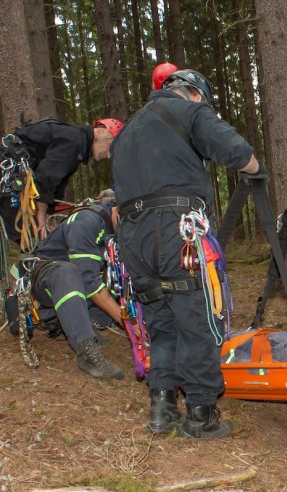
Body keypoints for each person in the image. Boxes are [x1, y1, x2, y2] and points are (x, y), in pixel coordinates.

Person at [111, 68, 261, 440]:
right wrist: (257, 171)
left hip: (133, 236)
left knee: (161, 323)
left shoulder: (127, 131)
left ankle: (162, 407)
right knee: (196, 318)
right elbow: (237, 151)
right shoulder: (191, 110)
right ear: (194, 93)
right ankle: (201, 413)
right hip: (176, 230)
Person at [0, 118, 123, 246]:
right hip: (8, 169)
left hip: (3, 168)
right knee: (32, 236)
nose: (109, 155)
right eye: (111, 147)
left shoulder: (75, 143)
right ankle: (36, 268)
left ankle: (36, 266)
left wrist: (48, 213)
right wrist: (41, 215)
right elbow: (48, 176)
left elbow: (57, 183)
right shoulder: (75, 140)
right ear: (99, 132)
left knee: (33, 237)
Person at [27, 197, 125, 380]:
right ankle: (86, 350)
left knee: (117, 274)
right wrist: (125, 319)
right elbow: (87, 281)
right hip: (47, 276)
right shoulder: (87, 222)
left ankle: (87, 321)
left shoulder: (115, 230)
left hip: (74, 281)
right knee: (68, 272)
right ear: (118, 210)